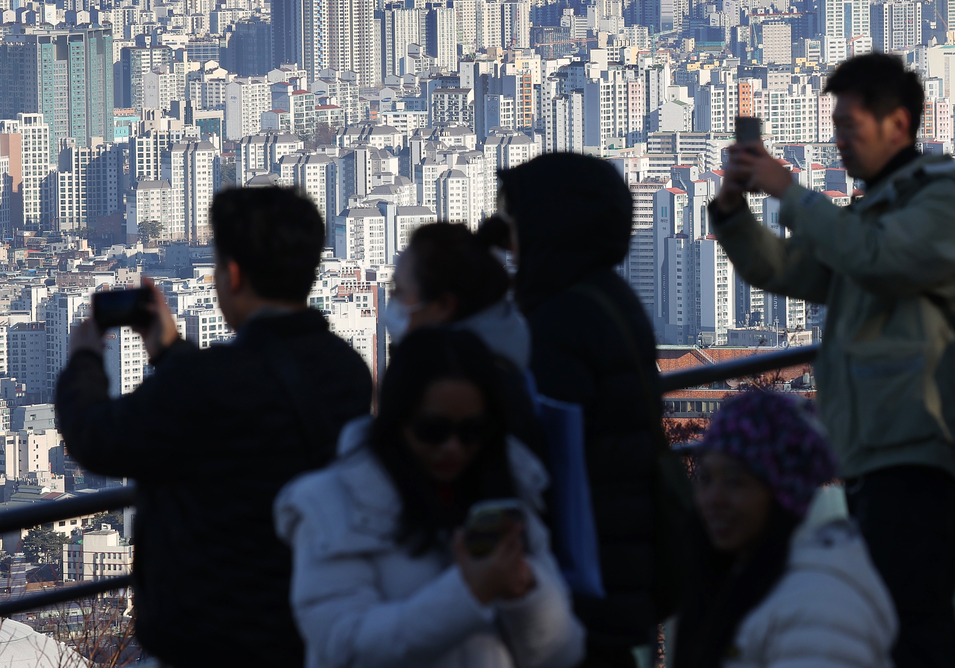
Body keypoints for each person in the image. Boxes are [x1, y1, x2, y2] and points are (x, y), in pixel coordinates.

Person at [708, 52, 955, 668]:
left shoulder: (943, 204)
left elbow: (877, 259)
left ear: (899, 124)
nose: (839, 143)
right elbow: (785, 269)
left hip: (921, 445)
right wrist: (732, 214)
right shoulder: (873, 210)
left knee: (912, 621)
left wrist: (790, 191)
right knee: (899, 623)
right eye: (834, 126)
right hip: (872, 448)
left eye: (851, 128)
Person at [55, 186, 373, 667]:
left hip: (215, 637)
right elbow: (247, 404)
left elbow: (96, 437)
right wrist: (168, 350)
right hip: (312, 622)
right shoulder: (347, 369)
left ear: (235, 274)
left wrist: (83, 359)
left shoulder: (206, 382)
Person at [274, 328, 584, 668]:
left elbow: (563, 653)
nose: (453, 448)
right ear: (397, 421)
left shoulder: (508, 489)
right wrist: (467, 592)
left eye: (472, 432)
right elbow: (344, 648)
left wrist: (524, 593)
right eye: (432, 430)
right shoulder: (330, 505)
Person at [497, 152, 662, 668]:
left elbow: (547, 442)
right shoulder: (609, 297)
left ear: (551, 226)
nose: (509, 240)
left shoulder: (560, 319)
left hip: (582, 566)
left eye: (516, 223)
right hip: (620, 554)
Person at [673, 391, 897, 668]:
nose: (713, 499)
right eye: (705, 479)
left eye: (734, 482)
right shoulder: (750, 573)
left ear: (783, 493)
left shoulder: (816, 609)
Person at [384, 221, 545, 458]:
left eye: (399, 290)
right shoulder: (505, 363)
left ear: (443, 306)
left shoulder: (470, 392)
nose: (393, 302)